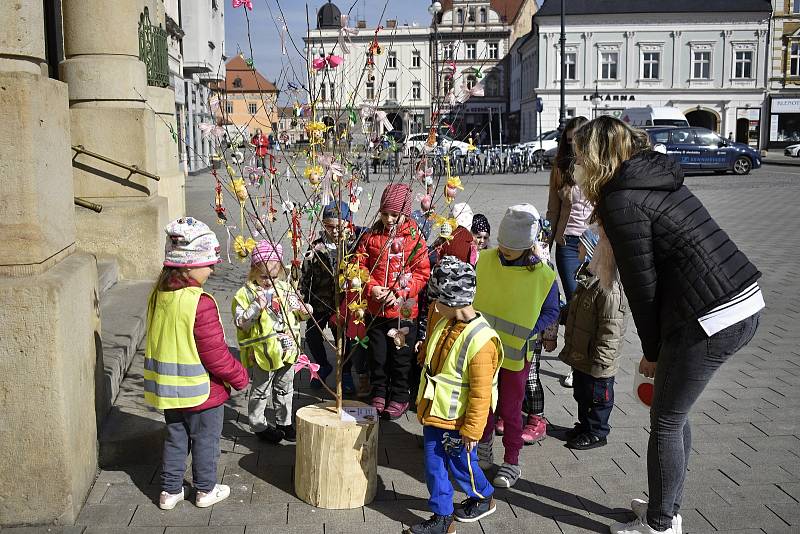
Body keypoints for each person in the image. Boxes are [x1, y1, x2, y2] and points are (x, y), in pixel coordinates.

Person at [573, 116, 763, 534]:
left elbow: (643, 287)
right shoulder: (653, 177)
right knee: (673, 413)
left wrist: (652, 353)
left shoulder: (622, 201)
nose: (574, 162)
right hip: (736, 299)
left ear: (598, 156)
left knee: (666, 421)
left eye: (580, 153)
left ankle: (660, 524)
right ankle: (667, 506)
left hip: (712, 315)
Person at [144, 217, 249, 510]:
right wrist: (240, 376)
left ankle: (170, 491)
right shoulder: (199, 302)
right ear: (189, 265)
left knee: (176, 440)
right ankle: (205, 490)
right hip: (203, 391)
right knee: (205, 442)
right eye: (209, 263)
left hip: (170, 391)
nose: (213, 269)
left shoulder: (159, 295)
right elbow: (215, 354)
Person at [407, 257, 502, 534]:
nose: (434, 306)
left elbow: (481, 393)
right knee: (434, 466)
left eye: (437, 300)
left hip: (459, 422)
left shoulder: (482, 341)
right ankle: (442, 518)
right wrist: (422, 350)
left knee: (463, 467)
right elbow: (437, 351)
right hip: (436, 414)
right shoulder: (445, 322)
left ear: (452, 300)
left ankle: (483, 496)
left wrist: (473, 431)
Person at [473, 204, 560, 488]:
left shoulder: (543, 275)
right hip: (483, 350)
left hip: (515, 355)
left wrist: (529, 331)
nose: (504, 251)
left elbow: (551, 312)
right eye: (502, 245)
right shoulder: (485, 260)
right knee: (482, 403)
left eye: (511, 248)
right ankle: (483, 446)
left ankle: (512, 460)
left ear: (527, 246)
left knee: (511, 410)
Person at [357, 183, 431, 420]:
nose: (389, 219)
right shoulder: (371, 236)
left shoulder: (414, 238)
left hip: (405, 309)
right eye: (385, 214)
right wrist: (371, 287)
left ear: (405, 214)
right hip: (376, 308)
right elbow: (359, 266)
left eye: (395, 215)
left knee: (401, 356)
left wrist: (400, 292)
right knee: (378, 355)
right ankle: (379, 392)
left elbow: (422, 273)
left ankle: (399, 395)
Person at [233, 241, 310, 444]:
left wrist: (304, 311)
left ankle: (284, 422)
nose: (269, 282)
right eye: (264, 277)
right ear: (253, 272)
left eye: (274, 277)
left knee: (286, 386)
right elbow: (242, 324)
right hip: (263, 353)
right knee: (260, 389)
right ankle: (258, 425)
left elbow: (299, 316)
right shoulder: (245, 294)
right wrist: (256, 308)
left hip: (287, 350)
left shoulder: (286, 289)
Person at [558, 226, 628, 450]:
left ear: (594, 252)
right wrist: (563, 314)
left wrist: (603, 359)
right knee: (582, 392)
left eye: (581, 244)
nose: (576, 246)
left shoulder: (609, 289)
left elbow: (611, 329)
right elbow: (576, 307)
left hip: (597, 359)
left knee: (598, 397)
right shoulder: (587, 278)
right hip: (583, 354)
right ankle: (585, 425)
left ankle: (597, 432)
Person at [300, 200, 367, 395]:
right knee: (312, 335)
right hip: (319, 302)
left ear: (347, 224)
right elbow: (306, 275)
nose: (334, 231)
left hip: (344, 303)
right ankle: (322, 365)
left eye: (339, 226)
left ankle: (345, 374)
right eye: (329, 227)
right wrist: (304, 299)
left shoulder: (353, 243)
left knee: (344, 339)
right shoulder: (316, 247)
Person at [545, 116, 590, 388]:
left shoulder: (601, 166)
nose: (575, 147)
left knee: (592, 306)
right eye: (570, 141)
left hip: (595, 245)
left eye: (579, 140)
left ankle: (592, 359)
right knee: (574, 303)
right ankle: (576, 362)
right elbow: (553, 211)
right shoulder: (560, 167)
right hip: (567, 245)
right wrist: (544, 248)